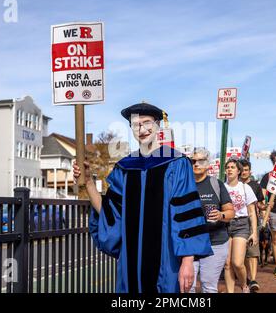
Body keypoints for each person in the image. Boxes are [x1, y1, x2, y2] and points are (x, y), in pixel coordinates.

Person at [73, 102, 213, 293]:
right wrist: (88, 181)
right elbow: (110, 214)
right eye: (136, 125)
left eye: (146, 123)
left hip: (166, 263)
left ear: (157, 125)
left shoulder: (177, 163)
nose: (142, 129)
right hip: (131, 265)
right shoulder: (125, 168)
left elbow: (186, 214)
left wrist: (188, 262)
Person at [188, 147, 234, 293]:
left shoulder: (216, 184)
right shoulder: (183, 184)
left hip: (215, 242)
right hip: (190, 243)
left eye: (200, 161)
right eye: (193, 161)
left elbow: (231, 212)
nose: (196, 164)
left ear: (208, 164)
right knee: (187, 287)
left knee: (208, 286)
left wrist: (221, 215)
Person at [224, 158, 258, 293]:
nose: (229, 169)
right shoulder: (221, 187)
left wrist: (254, 232)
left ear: (238, 171)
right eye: (228, 167)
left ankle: (244, 285)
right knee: (227, 265)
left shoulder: (245, 187)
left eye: (233, 167)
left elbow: (252, 212)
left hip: (241, 225)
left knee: (237, 263)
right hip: (225, 225)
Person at [239, 158, 266, 292]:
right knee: (242, 253)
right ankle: (246, 277)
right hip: (238, 221)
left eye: (246, 170)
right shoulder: (234, 184)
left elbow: (261, 203)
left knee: (253, 251)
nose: (244, 172)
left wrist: (264, 206)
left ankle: (253, 279)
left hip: (252, 221)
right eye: (242, 170)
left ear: (250, 171)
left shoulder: (255, 185)